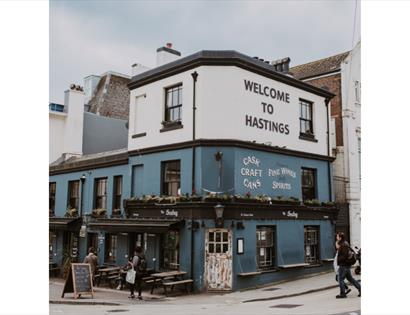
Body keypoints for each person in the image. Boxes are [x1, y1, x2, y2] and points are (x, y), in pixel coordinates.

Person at [336, 232, 361, 298]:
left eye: (337, 236)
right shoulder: (344, 243)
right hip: (346, 265)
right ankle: (360, 289)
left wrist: (339, 260)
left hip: (344, 265)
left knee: (340, 279)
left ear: (340, 238)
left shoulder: (343, 245)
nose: (336, 237)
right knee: (351, 279)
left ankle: (342, 294)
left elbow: (344, 255)